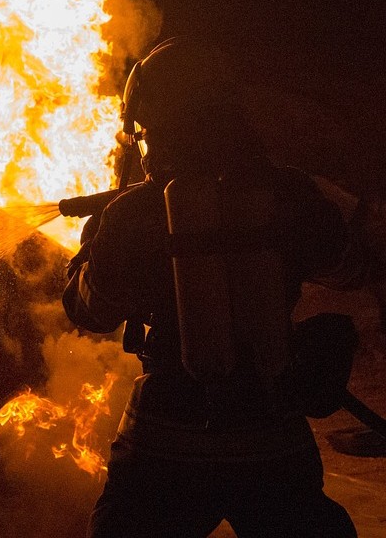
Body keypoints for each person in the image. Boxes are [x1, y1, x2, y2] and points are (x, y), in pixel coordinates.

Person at [64, 38, 376, 537]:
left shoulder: (131, 215)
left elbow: (91, 311)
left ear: (155, 126)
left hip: (166, 442)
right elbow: (350, 269)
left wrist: (88, 249)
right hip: (272, 434)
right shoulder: (289, 194)